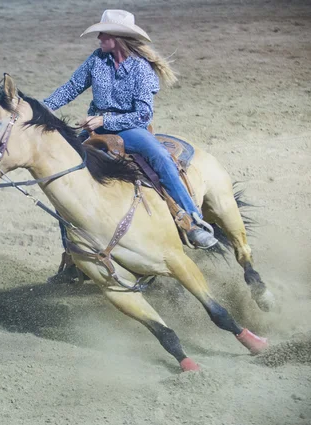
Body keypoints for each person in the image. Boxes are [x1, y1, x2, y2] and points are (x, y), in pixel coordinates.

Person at [43, 10, 218, 283]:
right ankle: (71, 255)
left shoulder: (141, 69)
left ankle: (192, 220)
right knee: (66, 176)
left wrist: (105, 118)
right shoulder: (96, 60)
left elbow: (143, 114)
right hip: (98, 128)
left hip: (130, 128)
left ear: (118, 38)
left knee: (160, 156)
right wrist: (39, 109)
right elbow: (71, 87)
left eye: (104, 33)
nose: (99, 37)